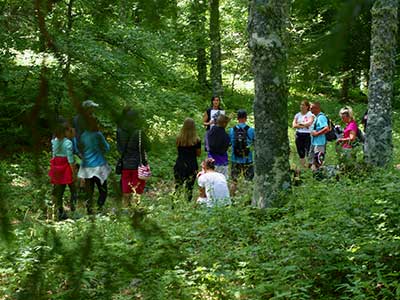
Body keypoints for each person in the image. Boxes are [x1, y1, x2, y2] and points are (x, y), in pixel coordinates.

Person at [77, 116, 111, 214]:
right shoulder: (98, 135)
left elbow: (81, 149)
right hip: (99, 166)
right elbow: (106, 148)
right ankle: (100, 208)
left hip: (87, 167)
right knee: (103, 190)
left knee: (89, 191)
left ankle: (89, 210)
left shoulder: (83, 135)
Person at [117, 108, 150, 205]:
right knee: (137, 189)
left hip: (125, 164)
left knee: (126, 190)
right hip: (138, 164)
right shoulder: (139, 132)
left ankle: (126, 208)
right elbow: (148, 147)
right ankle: (135, 210)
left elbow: (119, 148)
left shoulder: (120, 131)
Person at [48, 119, 76, 220]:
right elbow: (70, 159)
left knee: (59, 190)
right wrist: (74, 173)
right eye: (69, 130)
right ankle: (73, 208)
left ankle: (59, 210)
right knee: (73, 188)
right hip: (66, 167)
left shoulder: (54, 141)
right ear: (65, 131)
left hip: (56, 166)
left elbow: (53, 155)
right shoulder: (68, 143)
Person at [173, 118, 201, 201]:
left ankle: (174, 205)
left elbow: (178, 150)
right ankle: (187, 204)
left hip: (180, 164)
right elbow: (198, 154)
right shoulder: (197, 140)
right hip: (192, 165)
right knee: (189, 188)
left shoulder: (179, 138)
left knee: (178, 186)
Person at [229, 109, 255, 195]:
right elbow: (254, 142)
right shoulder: (251, 130)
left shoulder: (232, 130)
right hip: (248, 159)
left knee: (234, 180)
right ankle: (248, 198)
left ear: (237, 118)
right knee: (249, 180)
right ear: (246, 118)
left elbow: (230, 143)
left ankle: (232, 198)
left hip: (235, 158)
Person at [207, 114, 231, 178]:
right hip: (222, 161)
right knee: (222, 181)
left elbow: (207, 147)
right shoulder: (226, 136)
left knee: (211, 182)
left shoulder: (209, 133)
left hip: (210, 161)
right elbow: (225, 149)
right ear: (224, 124)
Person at [292, 100, 314, 168]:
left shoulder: (311, 114)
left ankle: (310, 167)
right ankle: (303, 167)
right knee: (300, 152)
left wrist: (299, 124)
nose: (301, 106)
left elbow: (309, 123)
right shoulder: (297, 115)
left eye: (303, 105)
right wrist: (304, 125)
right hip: (299, 134)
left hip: (307, 135)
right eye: (301, 105)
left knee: (309, 151)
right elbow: (294, 125)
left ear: (307, 107)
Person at [310, 102, 329, 171]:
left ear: (317, 108)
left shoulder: (321, 117)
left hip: (320, 143)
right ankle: (314, 176)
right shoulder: (316, 117)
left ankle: (319, 177)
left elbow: (326, 128)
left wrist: (317, 133)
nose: (310, 110)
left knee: (318, 161)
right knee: (313, 161)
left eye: (312, 108)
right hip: (315, 143)